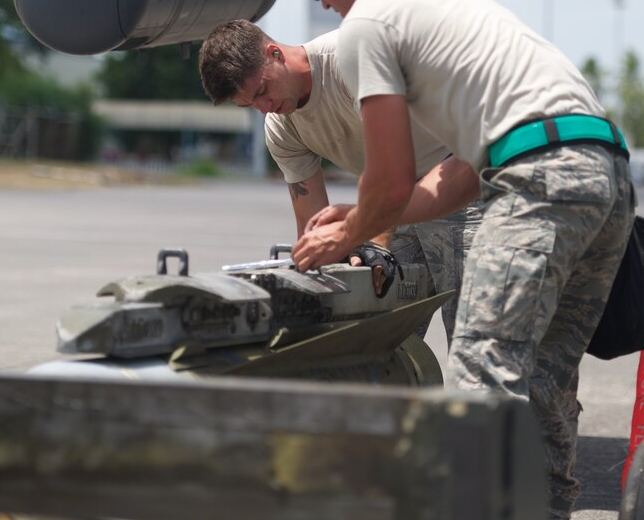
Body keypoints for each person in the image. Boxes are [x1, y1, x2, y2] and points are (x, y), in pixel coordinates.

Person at [280, 0, 635, 520]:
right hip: (602, 172)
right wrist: (364, 215)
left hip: (540, 177)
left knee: (481, 367)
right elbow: (459, 175)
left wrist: (348, 235)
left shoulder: (366, 25)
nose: (317, 3)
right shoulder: (437, 1)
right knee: (543, 381)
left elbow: (386, 180)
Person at [198, 20, 482, 338]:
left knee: (475, 339)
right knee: (370, 335)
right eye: (250, 104)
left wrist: (372, 243)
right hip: (390, 202)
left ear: (274, 53)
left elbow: (392, 172)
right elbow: (313, 222)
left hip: (459, 180)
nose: (265, 109)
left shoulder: (349, 63)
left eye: (262, 91)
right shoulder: (281, 127)